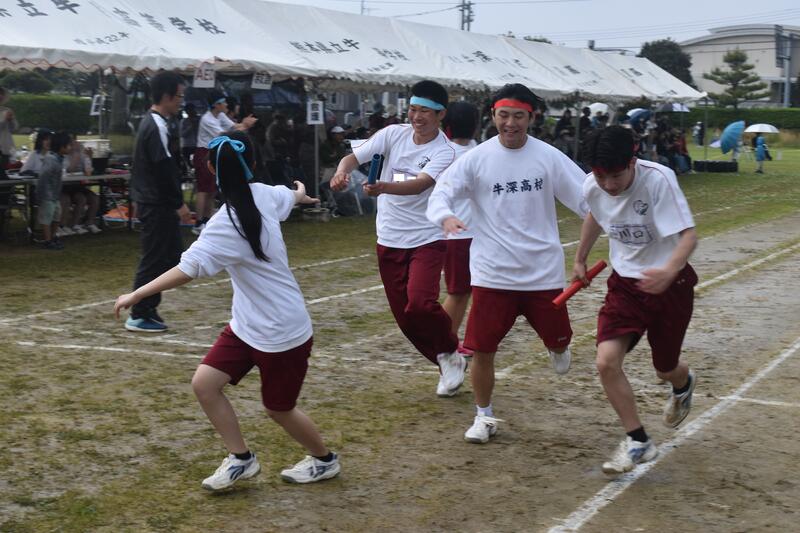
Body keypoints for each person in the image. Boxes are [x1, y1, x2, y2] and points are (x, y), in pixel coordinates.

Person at [114, 131, 339, 490]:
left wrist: (138, 293)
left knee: (279, 409)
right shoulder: (259, 198)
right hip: (247, 325)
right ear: (253, 163)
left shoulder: (229, 220)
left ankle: (325, 460)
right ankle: (241, 459)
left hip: (282, 332)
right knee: (205, 384)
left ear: (210, 169)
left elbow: (187, 269)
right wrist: (300, 193)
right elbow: (287, 195)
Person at [426, 84, 588, 443]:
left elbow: (586, 200)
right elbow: (441, 193)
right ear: (493, 116)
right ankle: (483, 416)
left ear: (532, 117)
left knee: (559, 344)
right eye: (503, 115)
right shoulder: (476, 159)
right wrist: (445, 216)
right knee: (482, 349)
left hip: (542, 274)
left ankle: (558, 344)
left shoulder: (548, 157)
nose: (510, 123)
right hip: (492, 274)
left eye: (518, 116)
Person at [574, 125, 698, 476]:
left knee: (665, 368)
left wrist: (669, 270)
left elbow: (688, 236)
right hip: (625, 286)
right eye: (601, 176)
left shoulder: (658, 179)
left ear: (632, 161)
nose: (609, 185)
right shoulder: (592, 185)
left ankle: (683, 383)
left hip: (671, 285)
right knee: (606, 362)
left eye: (616, 175)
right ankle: (638, 439)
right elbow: (595, 215)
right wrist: (580, 258)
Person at [330, 80, 465, 397]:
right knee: (405, 318)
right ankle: (447, 358)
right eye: (413, 110)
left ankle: (449, 351)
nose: (417, 117)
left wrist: (382, 187)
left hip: (427, 237)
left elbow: (420, 185)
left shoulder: (445, 151)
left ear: (441, 114)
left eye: (425, 112)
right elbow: (353, 158)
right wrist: (341, 171)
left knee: (420, 304)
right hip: (389, 237)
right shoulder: (392, 134)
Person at [126, 70, 191, 332]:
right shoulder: (156, 125)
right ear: (166, 96)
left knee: (172, 256)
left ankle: (148, 307)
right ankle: (140, 312)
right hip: (156, 203)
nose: (181, 101)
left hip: (156, 201)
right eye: (179, 96)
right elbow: (163, 169)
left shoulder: (159, 123)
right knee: (155, 258)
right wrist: (179, 203)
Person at [440, 101, 480, 355]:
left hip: (460, 232)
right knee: (459, 292)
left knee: (463, 291)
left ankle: (449, 340)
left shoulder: (443, 152)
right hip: (462, 233)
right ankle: (443, 342)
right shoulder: (479, 152)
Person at [194, 91, 257, 234]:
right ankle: (198, 222)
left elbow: (234, 127)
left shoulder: (220, 115)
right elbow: (226, 135)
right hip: (203, 153)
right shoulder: (207, 119)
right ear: (216, 105)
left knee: (211, 189)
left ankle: (206, 219)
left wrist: (244, 124)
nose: (227, 104)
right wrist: (245, 125)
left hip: (212, 152)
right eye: (223, 102)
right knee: (203, 189)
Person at [36, 131, 72, 250]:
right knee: (47, 217)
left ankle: (53, 237)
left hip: (55, 194)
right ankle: (47, 240)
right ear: (61, 146)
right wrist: (41, 195)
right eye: (68, 145)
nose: (70, 148)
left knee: (57, 216)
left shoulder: (60, 159)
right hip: (47, 194)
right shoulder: (50, 159)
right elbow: (43, 177)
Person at [59, 137, 102, 236]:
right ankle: (72, 224)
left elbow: (88, 170)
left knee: (95, 198)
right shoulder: (64, 157)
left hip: (78, 186)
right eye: (72, 144)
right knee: (81, 199)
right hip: (66, 187)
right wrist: (76, 157)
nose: (76, 146)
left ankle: (89, 223)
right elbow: (68, 170)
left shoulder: (82, 155)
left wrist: (89, 157)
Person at [0, 87, 17, 180]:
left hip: (5, 147)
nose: (0, 96)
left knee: (4, 174)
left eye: (2, 94)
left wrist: (11, 120)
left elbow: (14, 128)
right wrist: (4, 120)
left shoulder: (7, 110)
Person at [180, 103, 199, 173]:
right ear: (187, 111)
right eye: (191, 110)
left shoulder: (199, 120)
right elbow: (182, 134)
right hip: (187, 146)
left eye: (194, 109)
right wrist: (191, 126)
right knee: (189, 165)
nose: (193, 111)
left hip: (196, 145)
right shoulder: (183, 121)